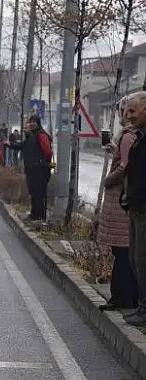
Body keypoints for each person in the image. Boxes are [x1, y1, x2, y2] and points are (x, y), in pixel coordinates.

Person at [96, 95, 138, 311]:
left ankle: (123, 297)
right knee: (123, 252)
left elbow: (125, 166)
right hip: (122, 201)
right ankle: (127, 297)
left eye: (128, 111)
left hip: (119, 202)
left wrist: (108, 179)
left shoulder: (128, 136)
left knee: (122, 252)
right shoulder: (129, 136)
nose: (124, 115)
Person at [122, 91, 146, 326]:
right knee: (135, 259)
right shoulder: (140, 137)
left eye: (132, 110)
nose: (128, 116)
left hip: (143, 208)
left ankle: (144, 309)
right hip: (137, 208)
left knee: (142, 259)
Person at [5, 115, 53, 221]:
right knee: (34, 193)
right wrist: (8, 144)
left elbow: (48, 152)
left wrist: (43, 164)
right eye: (30, 122)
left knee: (39, 193)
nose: (31, 124)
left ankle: (40, 217)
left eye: (34, 122)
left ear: (38, 123)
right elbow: (20, 146)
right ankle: (34, 214)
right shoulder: (31, 137)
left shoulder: (41, 135)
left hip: (39, 170)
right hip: (32, 170)